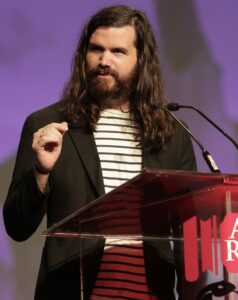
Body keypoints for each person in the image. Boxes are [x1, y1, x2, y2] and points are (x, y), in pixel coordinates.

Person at [3, 5, 197, 300]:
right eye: (96, 50)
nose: (104, 61)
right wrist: (41, 172)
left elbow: (189, 233)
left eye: (118, 51)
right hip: (75, 291)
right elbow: (17, 226)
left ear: (141, 60)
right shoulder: (47, 125)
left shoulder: (173, 134)